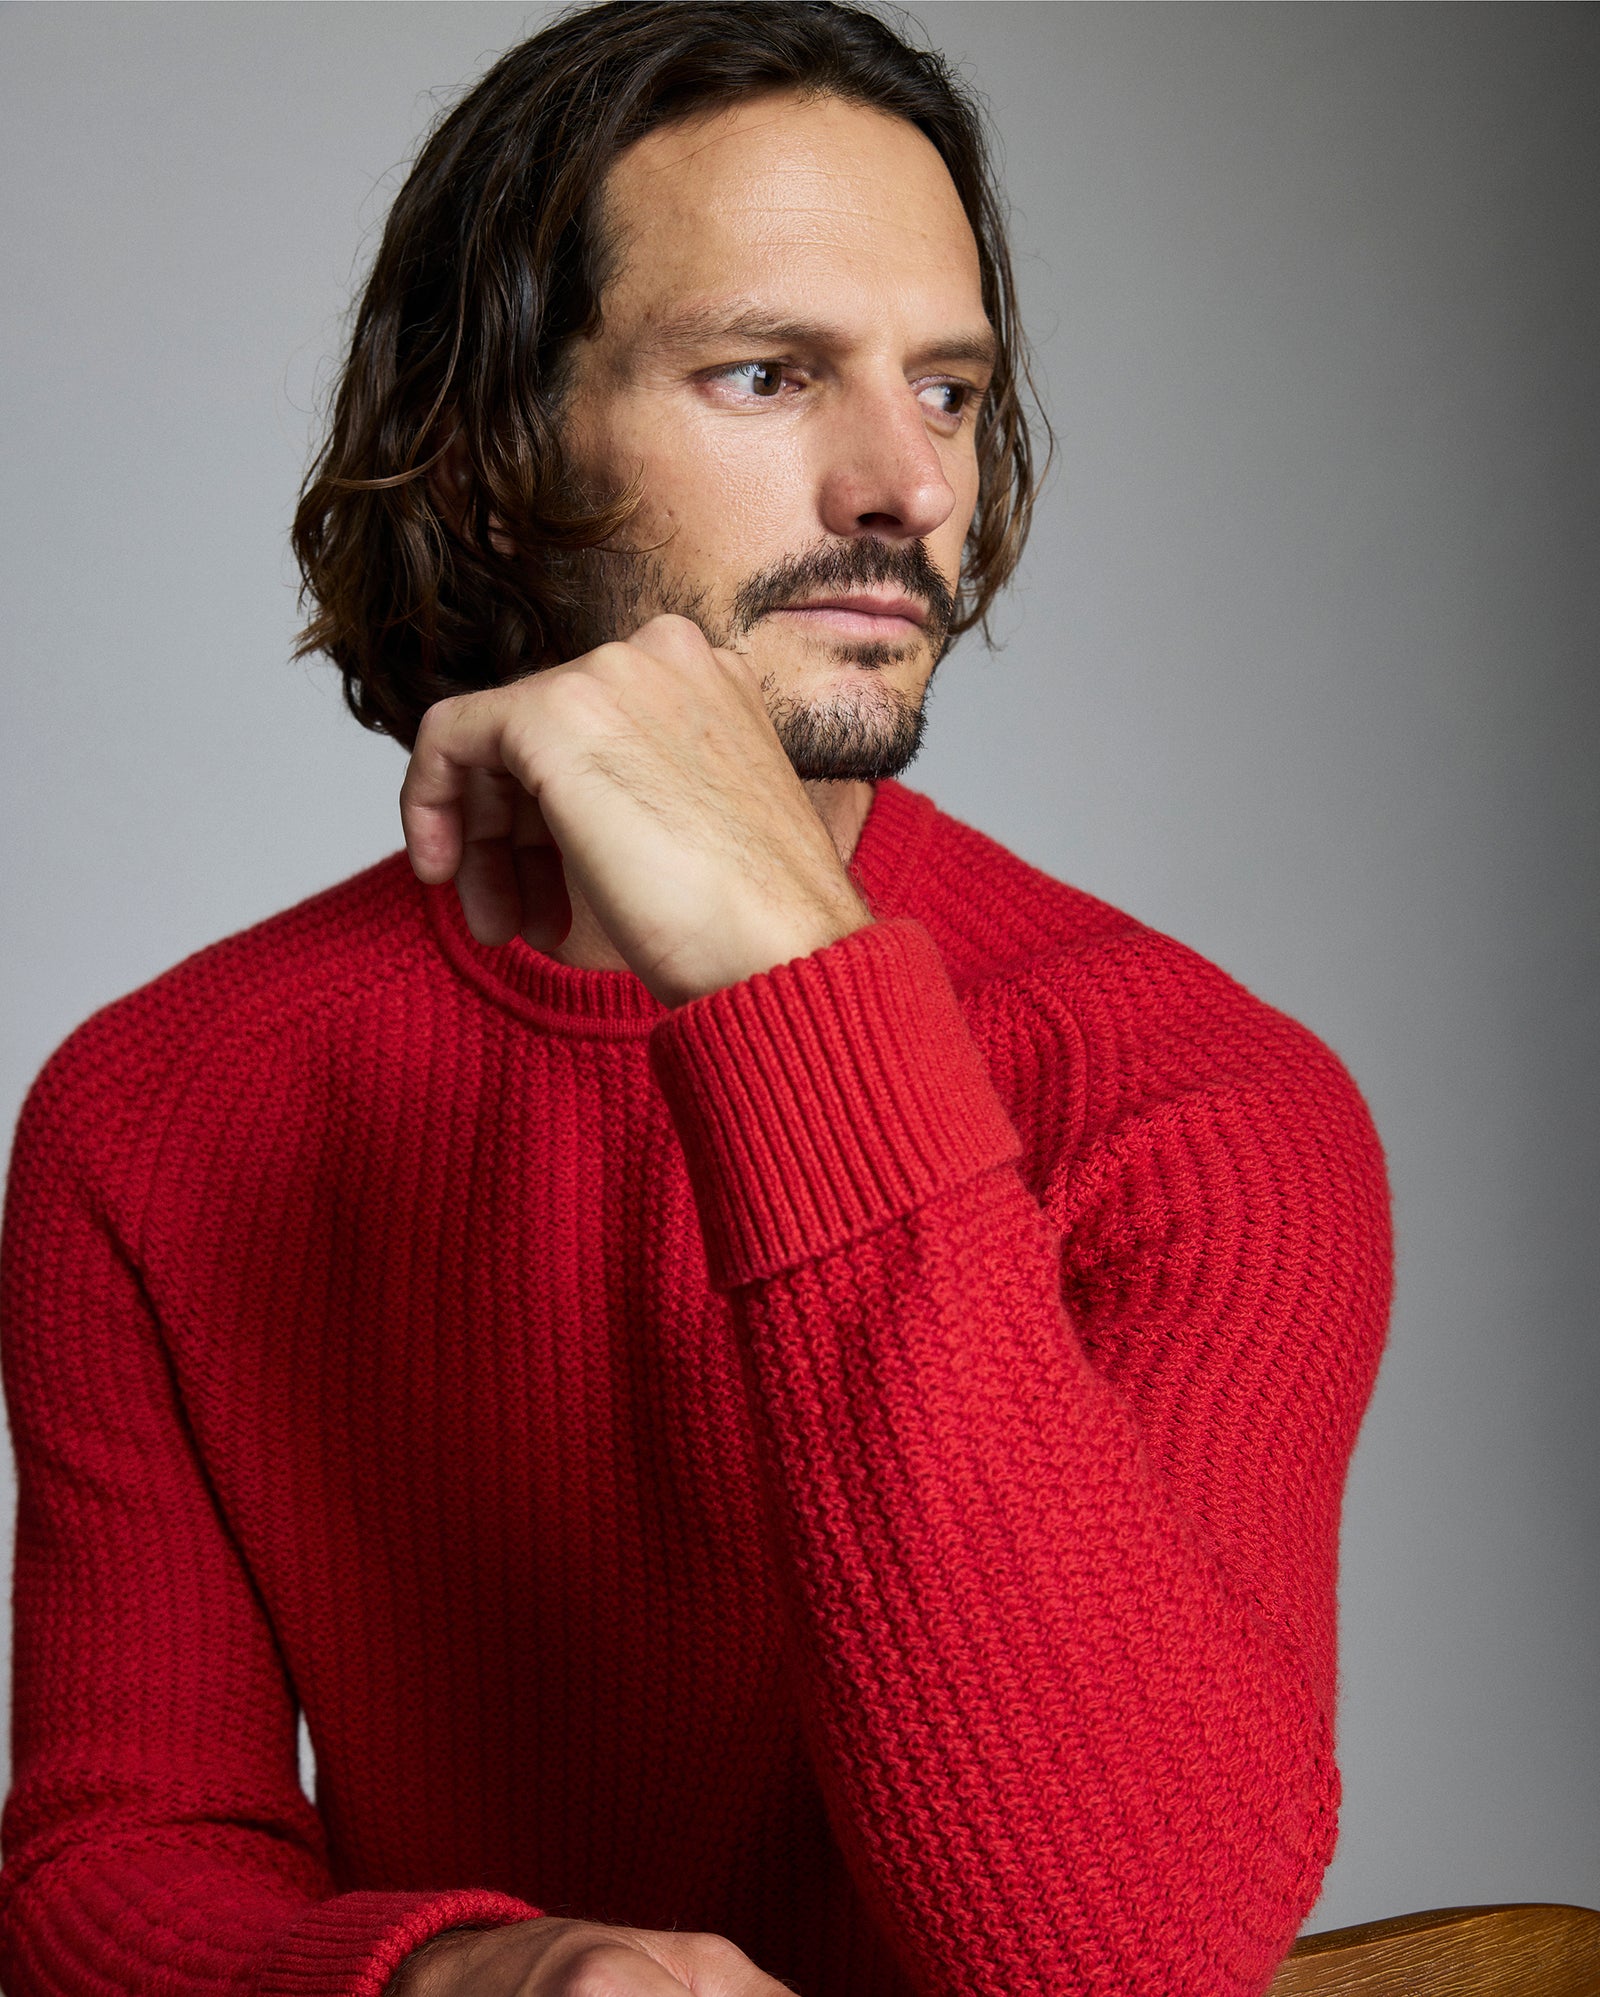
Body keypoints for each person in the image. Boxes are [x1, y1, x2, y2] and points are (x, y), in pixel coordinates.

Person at [0, 5, 1392, 1995]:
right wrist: (465, 1980)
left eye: (943, 387)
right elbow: (111, 1869)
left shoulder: (1203, 1107)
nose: (897, 482)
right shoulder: (157, 1111)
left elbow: (1130, 1962)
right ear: (494, 457)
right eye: (763, 374)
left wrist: (786, 980)